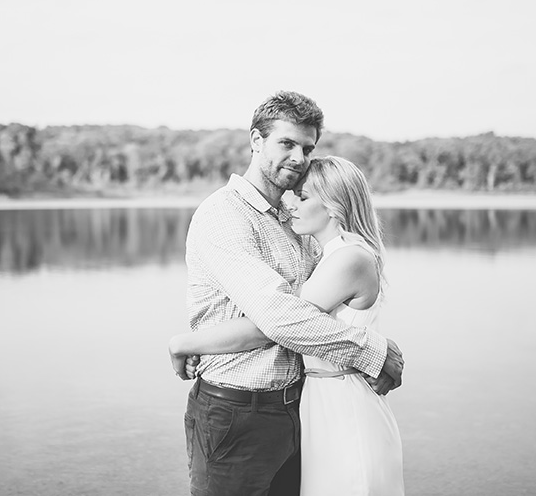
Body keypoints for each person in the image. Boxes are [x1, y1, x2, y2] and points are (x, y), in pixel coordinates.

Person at [171, 91, 404, 496]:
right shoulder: (225, 215)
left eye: (307, 147)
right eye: (287, 143)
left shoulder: (297, 224)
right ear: (256, 140)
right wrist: (370, 349)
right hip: (237, 411)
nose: (299, 157)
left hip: (297, 409)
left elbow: (306, 314)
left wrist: (188, 343)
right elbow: (278, 317)